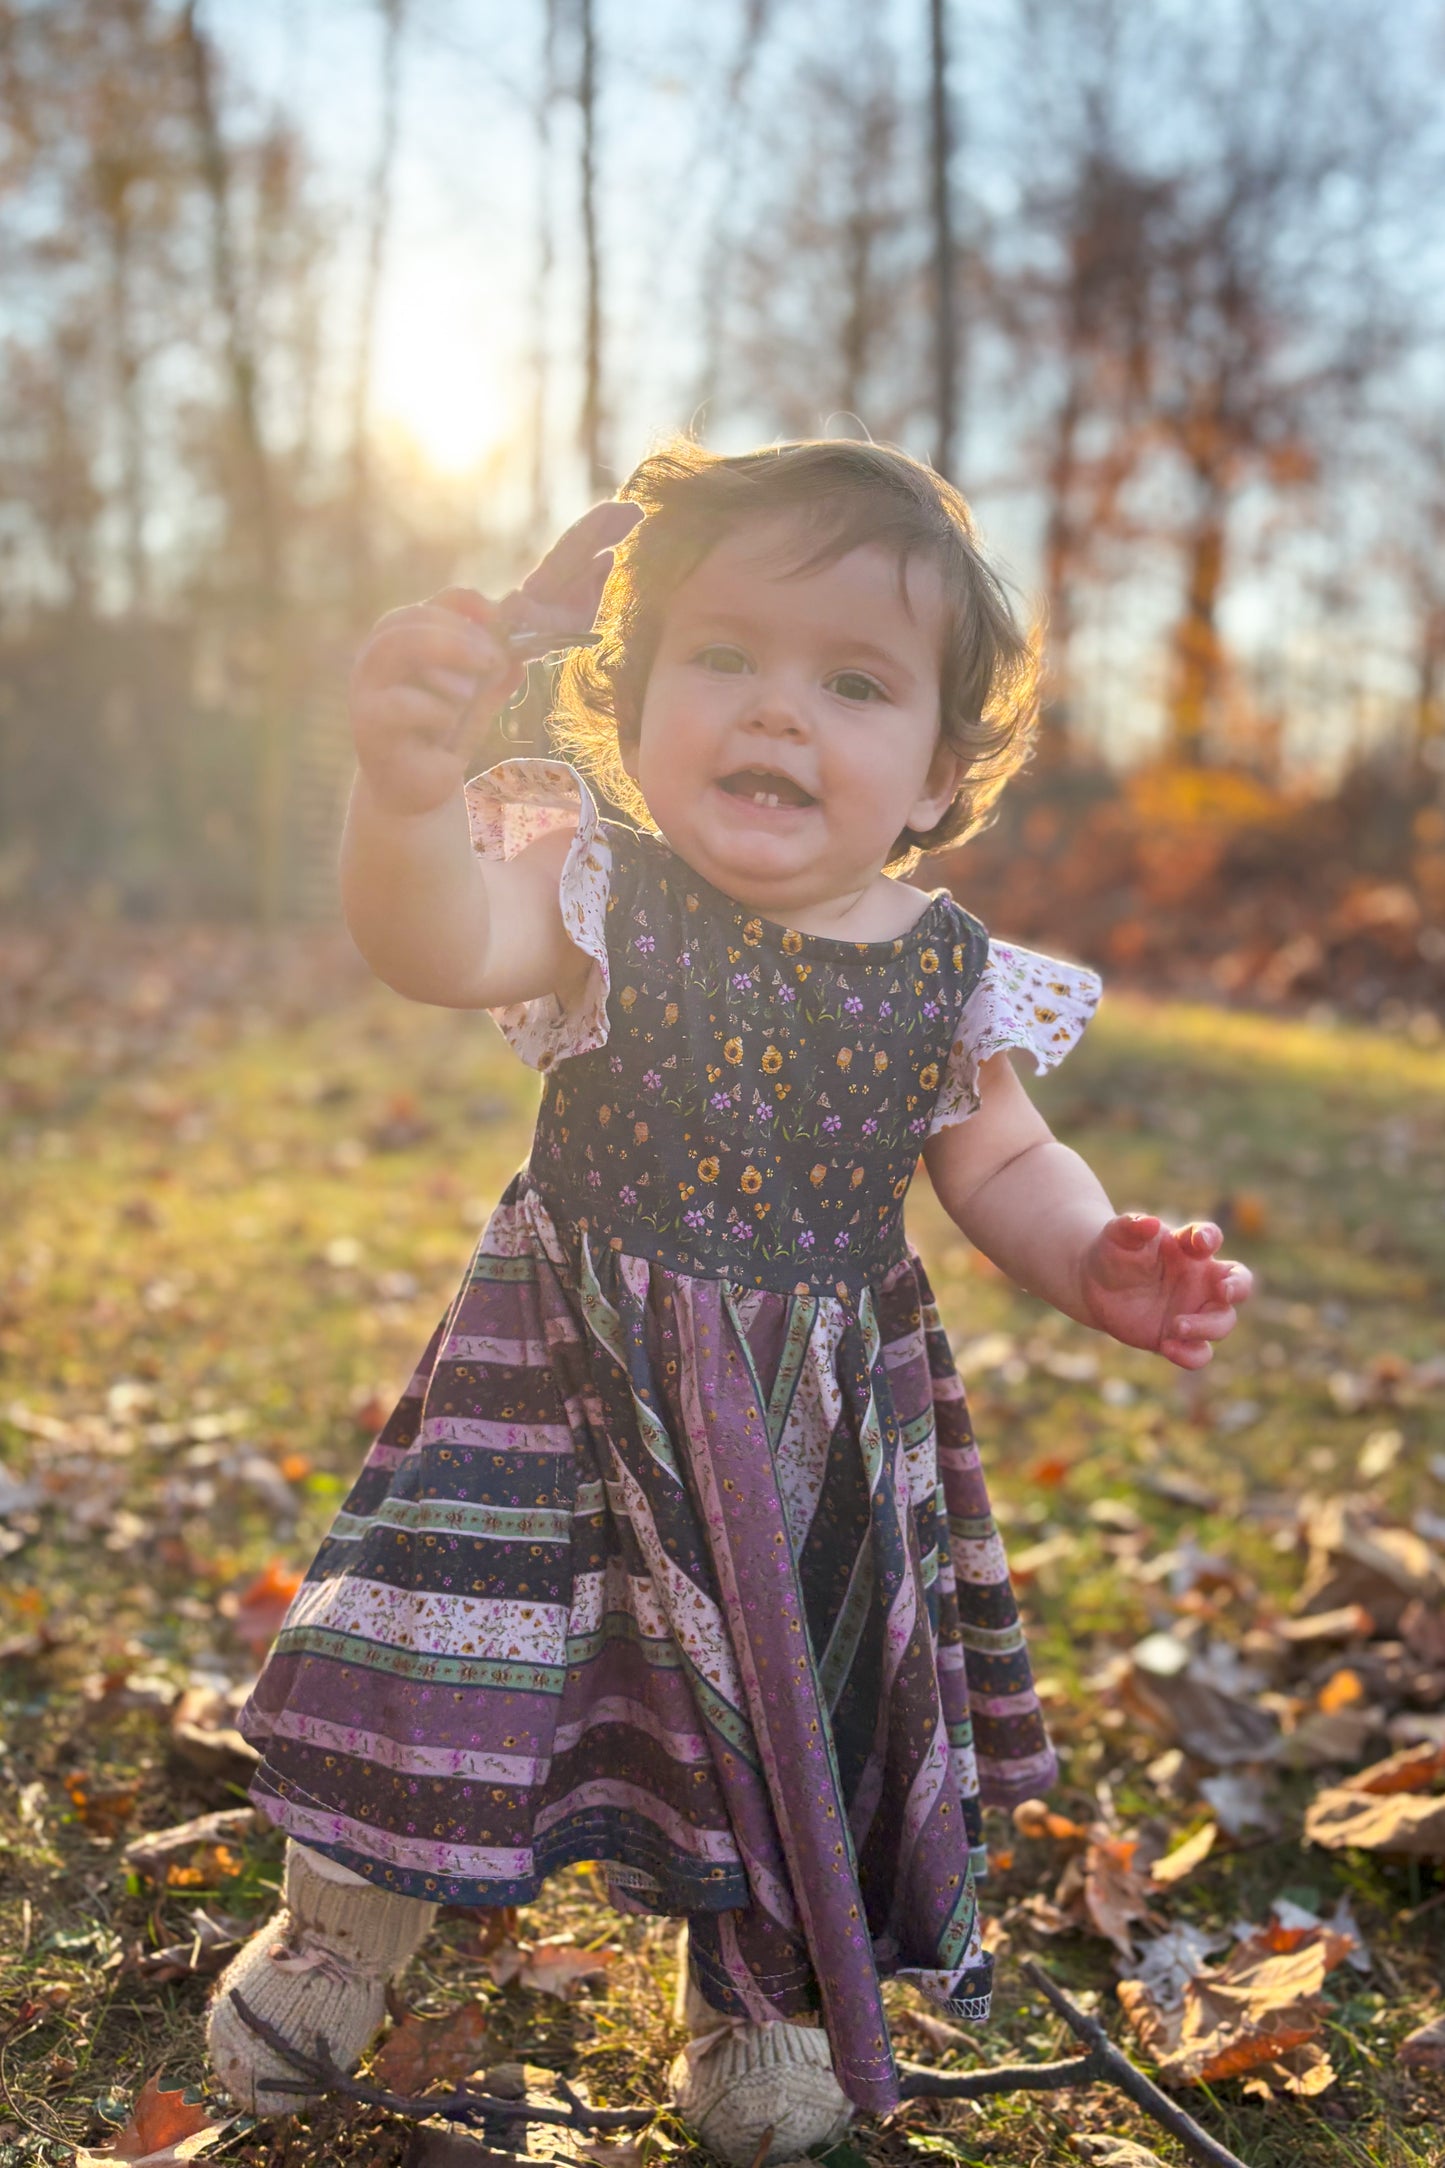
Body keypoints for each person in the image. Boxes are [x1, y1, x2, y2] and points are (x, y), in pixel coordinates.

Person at [207, 439, 1252, 2162]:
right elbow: (435, 940)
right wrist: (401, 797)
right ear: (629, 703)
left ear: (934, 772)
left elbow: (1000, 1163)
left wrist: (1093, 1257)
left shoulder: (944, 969)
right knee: (450, 1642)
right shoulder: (606, 892)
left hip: (808, 1412)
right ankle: (341, 1934)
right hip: (559, 1384)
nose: (777, 714)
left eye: (851, 681)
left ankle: (759, 2005)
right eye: (724, 657)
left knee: (794, 1704)